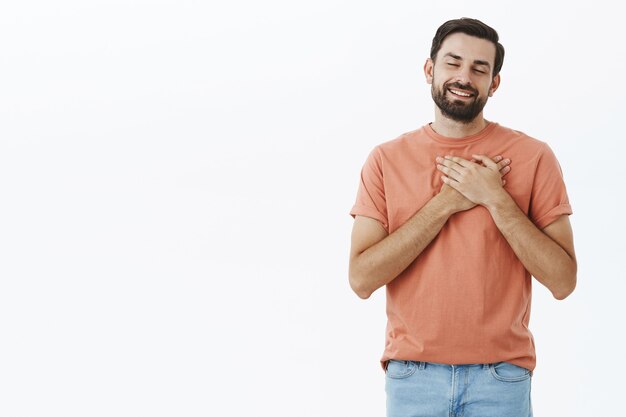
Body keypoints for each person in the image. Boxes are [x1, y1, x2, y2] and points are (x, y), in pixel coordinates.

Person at [348, 17, 576, 417]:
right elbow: (362, 279)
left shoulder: (534, 157)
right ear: (429, 69)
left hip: (501, 378)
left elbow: (563, 280)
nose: (464, 76)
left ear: (494, 83)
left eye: (479, 68)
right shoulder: (385, 160)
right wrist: (447, 203)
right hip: (413, 378)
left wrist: (497, 200)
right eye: (453, 63)